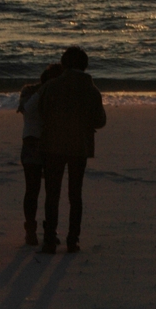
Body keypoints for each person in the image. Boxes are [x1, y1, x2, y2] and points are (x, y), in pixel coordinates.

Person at [38, 45, 106, 254]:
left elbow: (42, 112)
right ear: (85, 66)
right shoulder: (91, 90)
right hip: (80, 146)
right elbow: (100, 121)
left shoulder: (51, 86)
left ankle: (50, 239)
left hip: (53, 145)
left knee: (52, 193)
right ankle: (73, 239)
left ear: (64, 64)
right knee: (75, 194)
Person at [17, 63, 63, 246]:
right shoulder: (30, 92)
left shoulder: (57, 96)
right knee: (33, 190)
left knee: (50, 192)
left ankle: (49, 231)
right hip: (33, 143)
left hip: (50, 144)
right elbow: (27, 110)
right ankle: (31, 230)